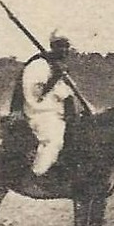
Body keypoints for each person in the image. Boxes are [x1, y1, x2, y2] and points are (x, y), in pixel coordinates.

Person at [14, 33, 86, 179]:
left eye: (67, 47)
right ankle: (36, 174)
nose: (64, 50)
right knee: (54, 140)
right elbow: (36, 94)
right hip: (41, 113)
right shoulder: (38, 65)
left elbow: (67, 95)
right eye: (61, 46)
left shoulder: (60, 66)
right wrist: (54, 78)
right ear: (52, 47)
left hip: (60, 114)